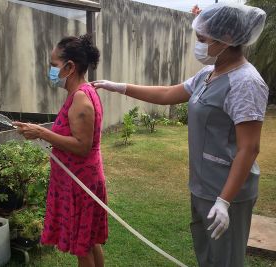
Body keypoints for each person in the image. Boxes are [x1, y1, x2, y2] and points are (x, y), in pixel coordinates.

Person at [92, 3, 268, 267]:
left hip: (227, 192)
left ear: (228, 39)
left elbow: (249, 148)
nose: (198, 45)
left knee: (226, 260)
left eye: (202, 39)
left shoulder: (246, 83)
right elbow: (167, 94)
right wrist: (119, 87)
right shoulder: (209, 74)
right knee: (207, 256)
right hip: (202, 185)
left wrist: (224, 201)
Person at [14, 34, 108, 267]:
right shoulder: (81, 93)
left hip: (80, 182)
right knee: (89, 241)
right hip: (78, 179)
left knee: (82, 246)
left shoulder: (80, 100)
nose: (50, 70)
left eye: (53, 65)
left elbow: (82, 147)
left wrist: (41, 133)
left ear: (70, 67)